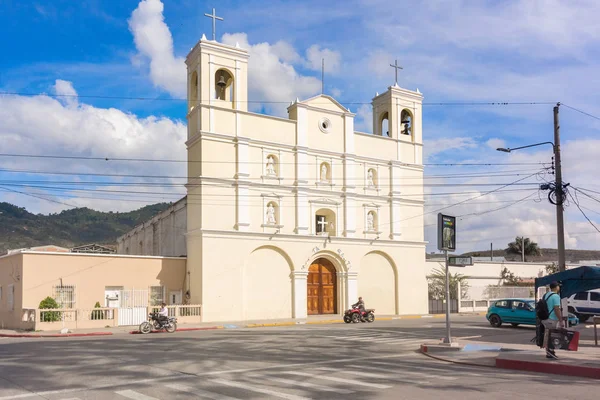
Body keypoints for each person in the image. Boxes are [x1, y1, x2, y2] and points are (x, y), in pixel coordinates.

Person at [542, 282, 563, 359]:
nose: (559, 288)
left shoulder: (546, 295)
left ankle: (548, 352)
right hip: (552, 319)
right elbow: (557, 309)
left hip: (545, 318)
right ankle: (551, 352)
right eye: (558, 286)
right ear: (556, 287)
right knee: (552, 336)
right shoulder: (556, 296)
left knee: (547, 335)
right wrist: (560, 320)